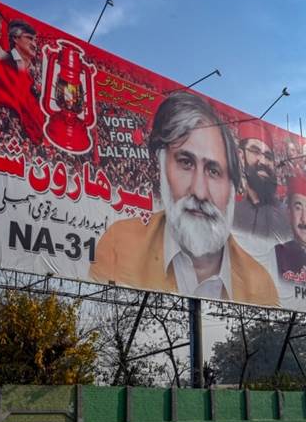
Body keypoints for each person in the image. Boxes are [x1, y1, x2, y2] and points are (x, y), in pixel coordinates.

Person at [90, 92, 278, 305]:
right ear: (162, 166)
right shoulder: (120, 245)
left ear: (234, 188)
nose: (199, 191)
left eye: (214, 171)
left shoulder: (261, 284)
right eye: (186, 163)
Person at [233, 122, 291, 239]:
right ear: (241, 156)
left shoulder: (286, 216)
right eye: (255, 151)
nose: (263, 161)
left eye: (268, 157)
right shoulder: (232, 212)